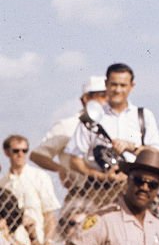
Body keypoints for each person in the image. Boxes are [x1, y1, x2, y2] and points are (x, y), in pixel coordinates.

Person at [65, 63, 159, 208]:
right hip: (99, 191)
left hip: (137, 188)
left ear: (132, 86)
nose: (118, 90)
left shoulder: (143, 116)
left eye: (123, 85)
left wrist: (131, 147)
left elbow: (157, 153)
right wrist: (102, 177)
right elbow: (74, 159)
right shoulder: (92, 116)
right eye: (114, 84)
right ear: (106, 84)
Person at [30, 76, 107, 216]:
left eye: (108, 96)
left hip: (114, 192)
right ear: (85, 99)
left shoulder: (114, 125)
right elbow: (37, 154)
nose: (105, 100)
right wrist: (60, 169)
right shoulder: (69, 125)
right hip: (83, 193)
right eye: (101, 96)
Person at [3, 135, 61, 245]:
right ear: (7, 152)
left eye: (24, 150)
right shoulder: (3, 183)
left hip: (37, 242)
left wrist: (47, 244)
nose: (20, 154)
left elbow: (49, 215)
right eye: (16, 151)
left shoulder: (39, 177)